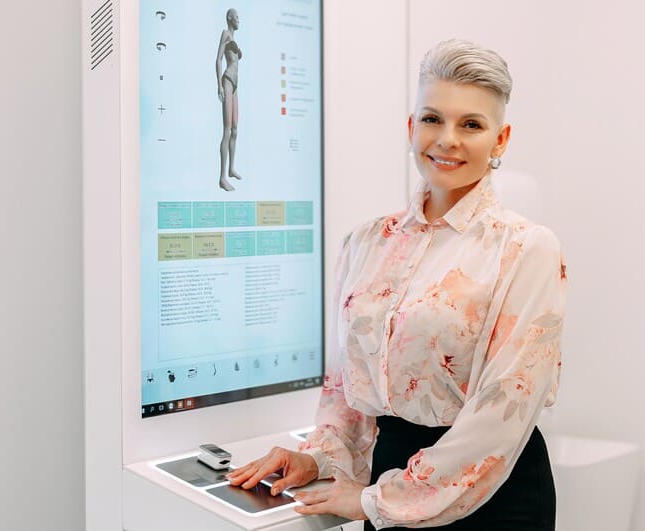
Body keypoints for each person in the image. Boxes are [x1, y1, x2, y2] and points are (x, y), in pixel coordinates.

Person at [228, 39, 567, 530]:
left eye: (471, 124)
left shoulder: (526, 248)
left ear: (501, 140)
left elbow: (504, 411)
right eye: (432, 119)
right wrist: (318, 457)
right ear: (411, 128)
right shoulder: (365, 241)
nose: (447, 139)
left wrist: (383, 500)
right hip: (389, 483)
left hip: (494, 500)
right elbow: (345, 388)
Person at [215, 8, 243, 192]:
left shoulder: (234, 38)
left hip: (235, 85)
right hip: (227, 81)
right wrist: (219, 85)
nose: (239, 20)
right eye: (237, 17)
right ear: (229, 18)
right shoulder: (225, 33)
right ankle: (222, 178)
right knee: (226, 130)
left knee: (235, 129)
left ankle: (231, 169)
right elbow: (218, 60)